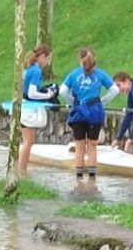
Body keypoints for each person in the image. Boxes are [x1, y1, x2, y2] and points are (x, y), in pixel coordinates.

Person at [60, 46, 118, 186]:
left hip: (79, 112)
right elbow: (114, 90)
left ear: (80, 61)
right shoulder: (100, 74)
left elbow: (63, 91)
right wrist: (101, 102)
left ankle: (78, 178)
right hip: (95, 112)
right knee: (92, 144)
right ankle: (92, 179)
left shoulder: (74, 74)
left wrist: (74, 103)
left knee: (79, 145)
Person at [16, 43, 55, 177]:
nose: (48, 63)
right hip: (29, 108)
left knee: (28, 140)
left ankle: (21, 168)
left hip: (24, 106)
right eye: (48, 59)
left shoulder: (28, 68)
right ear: (43, 57)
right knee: (28, 141)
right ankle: (22, 170)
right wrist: (48, 95)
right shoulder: (36, 71)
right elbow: (32, 93)